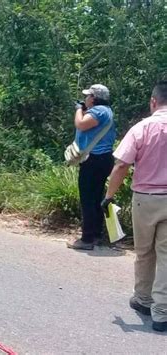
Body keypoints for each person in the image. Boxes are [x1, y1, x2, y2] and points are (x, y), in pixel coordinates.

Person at [101, 80, 167, 332]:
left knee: (144, 251)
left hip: (146, 199)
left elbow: (121, 165)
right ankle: (162, 313)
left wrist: (109, 196)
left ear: (153, 101)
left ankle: (143, 299)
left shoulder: (142, 128)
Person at [67, 84, 116, 250]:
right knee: (95, 198)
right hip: (103, 159)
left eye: (88, 96)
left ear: (94, 98)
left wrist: (78, 109)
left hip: (94, 160)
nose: (85, 99)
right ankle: (96, 235)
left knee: (88, 199)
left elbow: (80, 124)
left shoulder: (98, 111)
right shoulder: (106, 111)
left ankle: (87, 239)